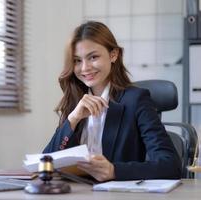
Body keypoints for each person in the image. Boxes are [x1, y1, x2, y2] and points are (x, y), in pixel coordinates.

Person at [43, 21, 181, 182]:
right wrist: (73, 119)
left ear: (113, 55)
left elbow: (171, 165)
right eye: (77, 61)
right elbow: (45, 164)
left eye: (93, 57)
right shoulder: (75, 101)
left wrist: (114, 171)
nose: (85, 68)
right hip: (77, 192)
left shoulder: (136, 100)